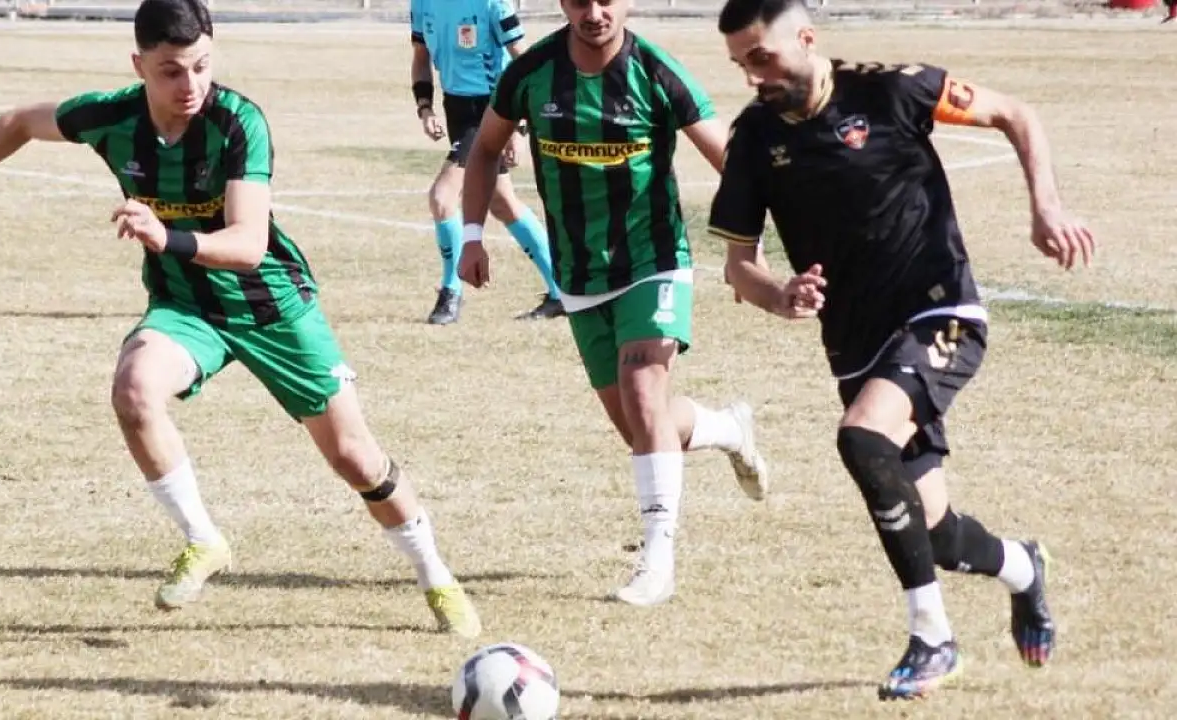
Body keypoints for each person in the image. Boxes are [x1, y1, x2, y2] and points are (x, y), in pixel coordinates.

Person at [0, 0, 482, 638]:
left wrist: (165, 236)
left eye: (201, 66)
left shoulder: (237, 122)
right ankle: (204, 539)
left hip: (271, 308)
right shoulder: (112, 117)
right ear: (139, 66)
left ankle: (436, 575)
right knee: (133, 390)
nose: (190, 84)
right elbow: (17, 121)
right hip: (186, 308)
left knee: (354, 457)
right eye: (171, 71)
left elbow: (248, 245)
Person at [713, 0, 1094, 699]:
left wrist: (1046, 207)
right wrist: (779, 294)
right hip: (855, 345)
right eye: (741, 64)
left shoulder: (893, 89)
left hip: (940, 310)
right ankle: (1023, 567)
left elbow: (1015, 114)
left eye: (760, 57)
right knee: (937, 532)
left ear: (806, 37)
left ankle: (932, 639)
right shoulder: (754, 139)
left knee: (861, 437)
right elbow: (740, 266)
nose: (752, 77)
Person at [455, 0, 770, 608]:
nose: (594, 12)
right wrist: (471, 235)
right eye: (580, 0)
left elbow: (733, 164)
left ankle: (657, 560)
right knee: (640, 425)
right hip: (578, 274)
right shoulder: (532, 72)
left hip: (654, 261)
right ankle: (729, 428)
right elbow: (487, 148)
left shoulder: (655, 71)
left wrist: (744, 252)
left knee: (643, 392)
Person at [410, 0, 564, 324]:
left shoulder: (492, 4)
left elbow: (526, 63)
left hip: (493, 109)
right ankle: (561, 291)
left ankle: (451, 292)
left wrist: (518, 126)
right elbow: (421, 58)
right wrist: (425, 108)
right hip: (456, 109)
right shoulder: (422, 3)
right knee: (502, 203)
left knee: (442, 197)